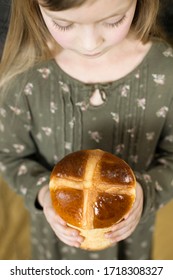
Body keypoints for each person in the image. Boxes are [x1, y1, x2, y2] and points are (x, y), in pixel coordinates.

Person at [0, 0, 173, 260]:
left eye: (113, 20)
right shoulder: (26, 75)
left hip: (130, 246)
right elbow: (10, 157)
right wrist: (44, 194)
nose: (90, 43)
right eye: (64, 24)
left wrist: (145, 192)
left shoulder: (166, 70)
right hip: (55, 247)